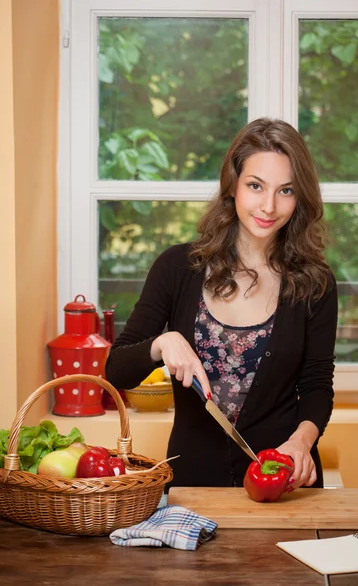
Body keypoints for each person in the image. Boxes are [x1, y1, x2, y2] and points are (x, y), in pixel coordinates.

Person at [105, 117, 338, 492]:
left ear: (301, 196)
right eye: (255, 186)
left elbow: (316, 385)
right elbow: (116, 370)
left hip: (284, 485)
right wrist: (163, 344)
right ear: (232, 185)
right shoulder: (177, 268)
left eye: (286, 190)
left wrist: (301, 442)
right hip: (193, 487)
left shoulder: (315, 282)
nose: (268, 205)